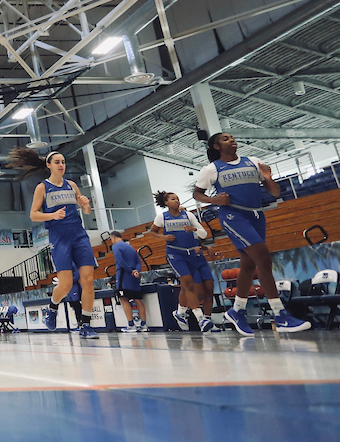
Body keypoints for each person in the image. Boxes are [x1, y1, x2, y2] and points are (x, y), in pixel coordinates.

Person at [193, 133, 309, 334]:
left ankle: (237, 310)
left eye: (232, 137)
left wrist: (268, 178)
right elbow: (197, 193)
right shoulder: (212, 169)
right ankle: (280, 315)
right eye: (226, 139)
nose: (232, 140)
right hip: (233, 216)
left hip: (257, 216)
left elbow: (275, 193)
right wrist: (214, 201)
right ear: (216, 146)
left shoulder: (253, 162)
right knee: (263, 258)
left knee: (248, 264)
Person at [18, 148, 98, 338]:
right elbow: (33, 215)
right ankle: (52, 308)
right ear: (49, 165)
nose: (61, 165)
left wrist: (85, 205)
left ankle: (86, 325)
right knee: (66, 285)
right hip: (59, 237)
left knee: (88, 281)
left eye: (63, 162)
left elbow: (86, 211)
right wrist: (52, 215)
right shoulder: (42, 187)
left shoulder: (72, 185)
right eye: (57, 162)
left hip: (79, 235)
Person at [149, 191, 220, 333]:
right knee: (188, 284)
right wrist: (164, 238)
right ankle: (201, 319)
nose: (177, 200)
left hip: (192, 254)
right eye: (173, 199)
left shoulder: (189, 215)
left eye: (178, 198)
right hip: (175, 253)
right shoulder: (162, 217)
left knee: (206, 287)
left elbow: (204, 234)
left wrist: (194, 229)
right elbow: (152, 232)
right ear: (166, 203)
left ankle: (182, 313)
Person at [109, 231, 148, 332]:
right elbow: (138, 261)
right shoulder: (130, 246)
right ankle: (144, 325)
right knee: (138, 299)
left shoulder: (116, 246)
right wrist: (136, 271)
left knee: (124, 299)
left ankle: (131, 325)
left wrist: (130, 271)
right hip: (134, 277)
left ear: (113, 237)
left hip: (124, 276)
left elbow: (120, 260)